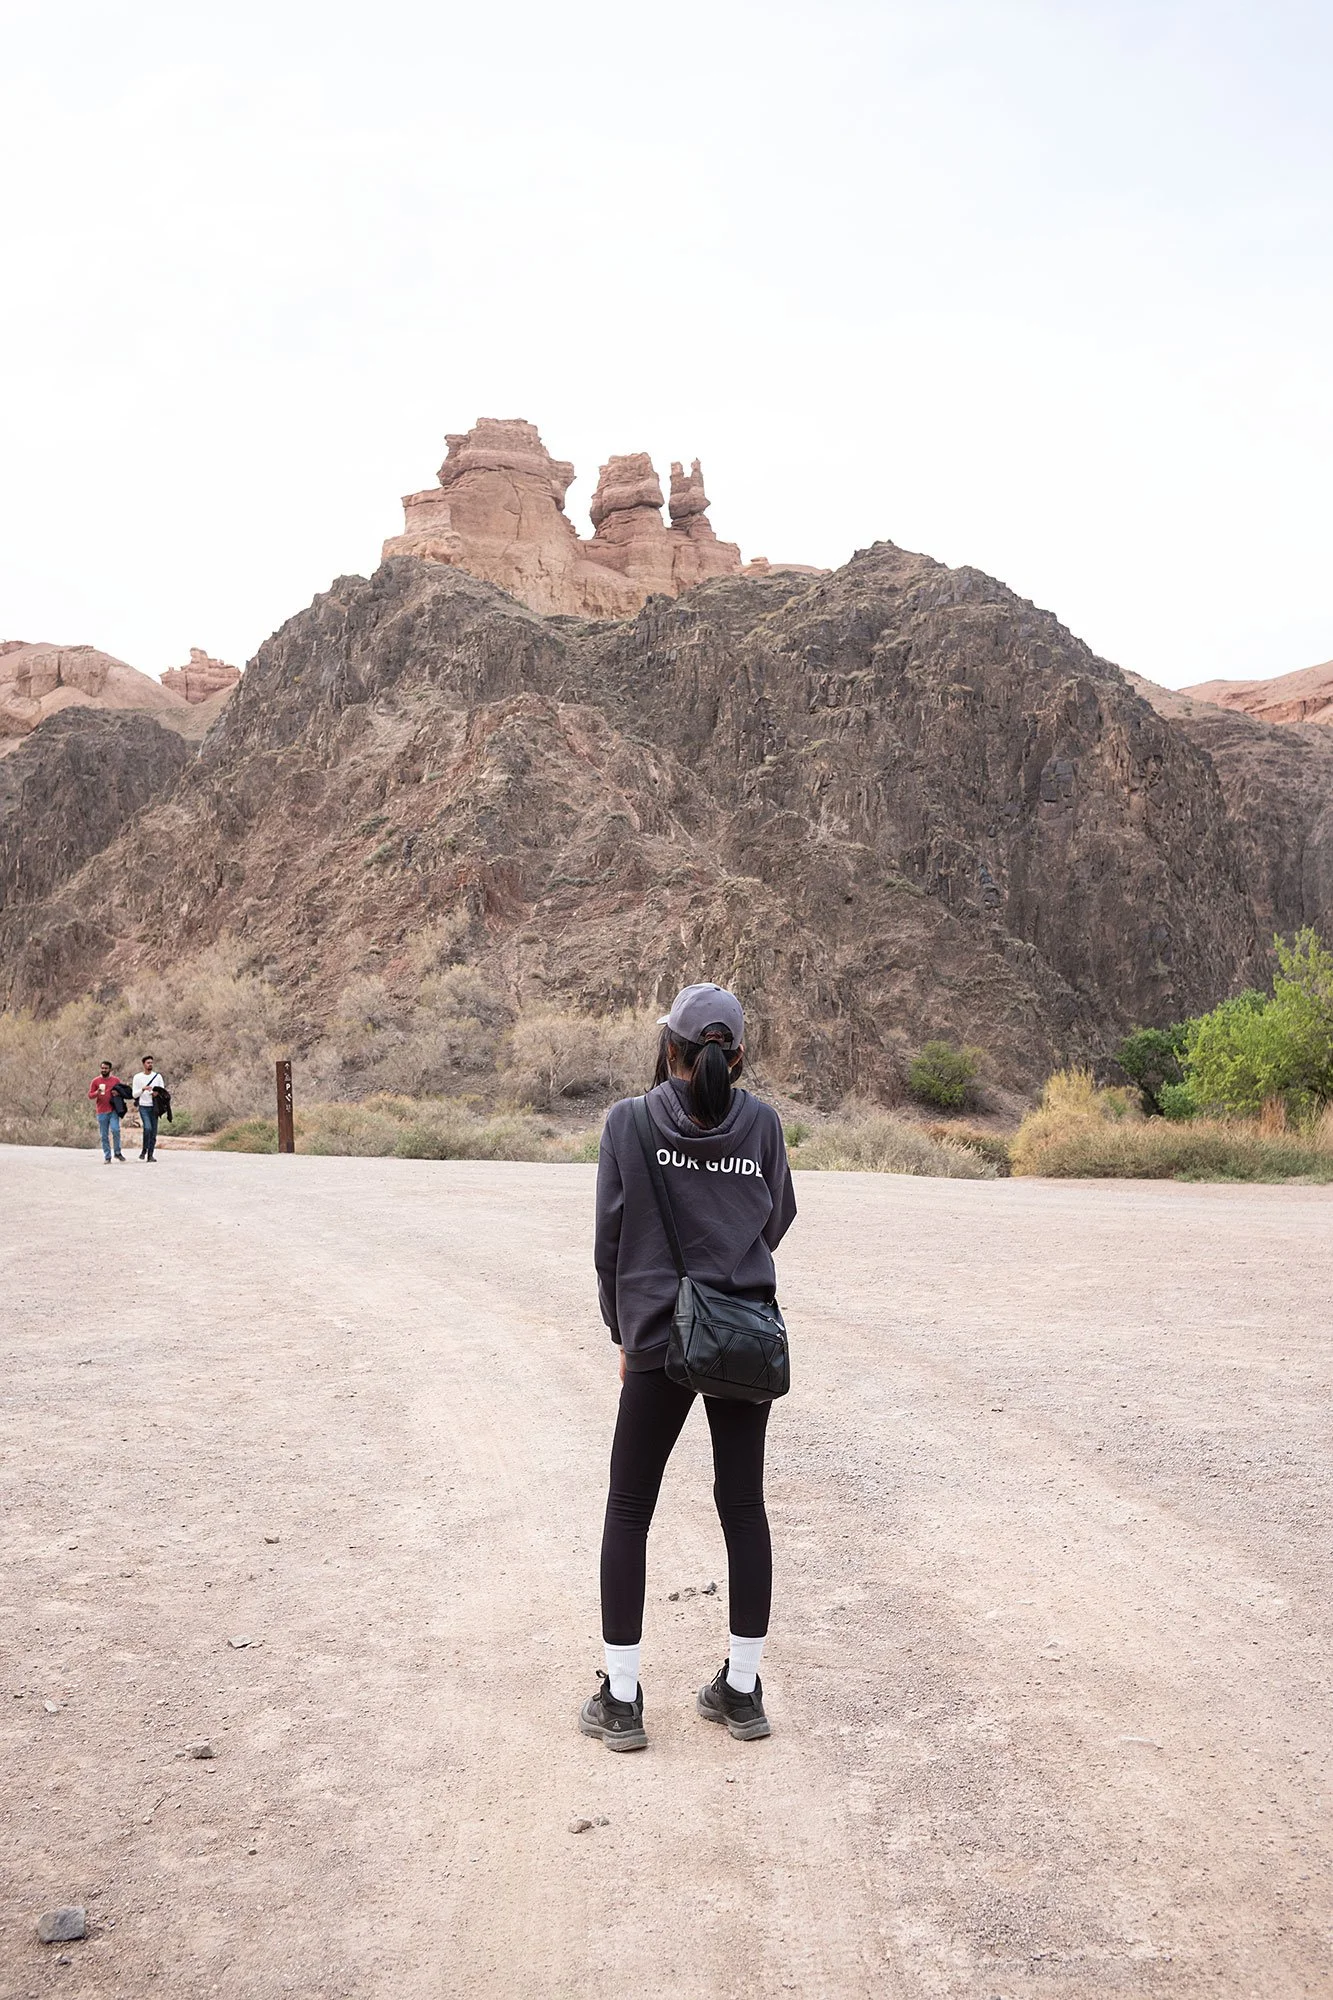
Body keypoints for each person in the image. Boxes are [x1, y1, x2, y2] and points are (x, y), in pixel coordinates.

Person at [581, 982, 797, 1752]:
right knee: (743, 1507)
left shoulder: (629, 1122)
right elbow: (775, 1218)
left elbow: (609, 1242)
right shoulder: (763, 1126)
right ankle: (740, 1694)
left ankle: (622, 1700)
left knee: (629, 1509)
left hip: (654, 1339)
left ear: (666, 1044)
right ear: (736, 1057)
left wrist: (624, 1330)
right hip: (740, 1336)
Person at [88, 1061, 127, 1163]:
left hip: (113, 1110)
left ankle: (117, 1152)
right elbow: (90, 1095)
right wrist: (97, 1093)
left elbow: (123, 1092)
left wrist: (117, 1093)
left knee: (115, 1130)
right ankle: (107, 1156)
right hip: (101, 1111)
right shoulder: (96, 1081)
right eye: (102, 1068)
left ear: (110, 1069)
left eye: (106, 1068)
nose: (104, 1070)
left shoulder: (115, 1080)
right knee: (104, 1135)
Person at [131, 1055, 165, 1162]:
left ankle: (150, 1155)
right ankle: (144, 1150)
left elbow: (162, 1092)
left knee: (154, 1132)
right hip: (143, 1106)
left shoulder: (158, 1077)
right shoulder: (137, 1077)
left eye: (151, 1062)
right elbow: (134, 1095)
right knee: (147, 1128)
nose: (150, 1064)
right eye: (148, 1063)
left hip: (154, 1107)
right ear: (143, 1064)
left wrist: (156, 1093)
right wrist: (143, 1089)